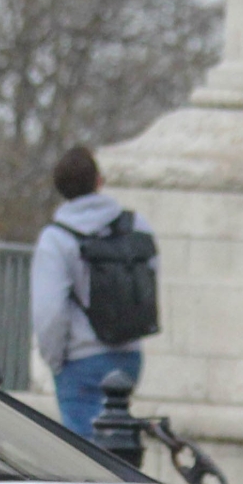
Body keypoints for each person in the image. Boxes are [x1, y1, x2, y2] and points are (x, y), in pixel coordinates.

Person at [30, 146, 158, 438]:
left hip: (81, 360)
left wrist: (54, 360)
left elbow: (49, 311)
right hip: (129, 356)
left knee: (86, 457)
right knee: (119, 448)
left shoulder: (57, 238)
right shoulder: (135, 225)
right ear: (99, 181)